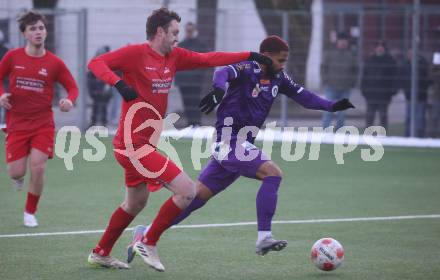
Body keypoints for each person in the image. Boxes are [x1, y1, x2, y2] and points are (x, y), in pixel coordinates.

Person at [126, 35, 355, 261]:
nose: (283, 65)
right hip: (228, 140)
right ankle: (264, 236)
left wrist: (332, 106)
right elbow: (222, 72)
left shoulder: (279, 77)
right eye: (280, 60)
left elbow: (304, 96)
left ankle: (144, 234)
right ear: (265, 57)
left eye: (285, 61)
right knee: (273, 174)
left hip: (239, 145)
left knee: (196, 198)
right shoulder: (247, 68)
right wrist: (218, 89)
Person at [86, 7, 273, 271]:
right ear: (159, 32)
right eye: (174, 33)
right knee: (187, 191)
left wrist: (249, 55)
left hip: (143, 145)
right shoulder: (134, 54)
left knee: (135, 203)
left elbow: (209, 59)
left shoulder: (174, 56)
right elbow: (96, 63)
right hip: (132, 146)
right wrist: (118, 84)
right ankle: (148, 241)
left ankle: (101, 252)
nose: (177, 38)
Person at [0, 11, 78, 227]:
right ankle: (18, 178)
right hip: (16, 123)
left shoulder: (54, 63)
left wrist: (69, 101)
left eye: (41, 28)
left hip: (43, 123)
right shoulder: (12, 57)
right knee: (16, 171)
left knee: (39, 167)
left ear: (46, 31)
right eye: (32, 28)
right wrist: (1, 95)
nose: (38, 32)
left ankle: (30, 212)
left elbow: (72, 87)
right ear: (24, 34)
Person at [321, 32, 358, 130]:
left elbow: (356, 70)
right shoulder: (329, 54)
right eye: (341, 41)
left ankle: (339, 133)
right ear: (337, 42)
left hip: (345, 88)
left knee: (342, 114)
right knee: (328, 111)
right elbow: (323, 68)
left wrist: (352, 82)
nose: (343, 43)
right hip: (331, 87)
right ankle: (325, 132)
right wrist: (325, 80)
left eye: (345, 41)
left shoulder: (351, 56)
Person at [174, 22, 206, 126]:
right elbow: (176, 63)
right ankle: (190, 124)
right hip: (183, 81)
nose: (189, 32)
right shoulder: (181, 46)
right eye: (188, 30)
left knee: (195, 102)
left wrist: (198, 75)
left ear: (194, 31)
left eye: (191, 30)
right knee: (187, 103)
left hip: (195, 81)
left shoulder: (200, 45)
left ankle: (197, 123)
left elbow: (204, 62)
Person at [361, 41, 397, 130]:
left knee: (383, 116)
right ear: (375, 48)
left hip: (384, 95)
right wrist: (364, 91)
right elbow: (364, 77)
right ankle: (368, 135)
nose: (380, 48)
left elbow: (395, 78)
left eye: (382, 46)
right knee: (370, 116)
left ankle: (383, 136)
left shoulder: (390, 61)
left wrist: (392, 91)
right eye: (378, 46)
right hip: (371, 94)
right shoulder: (369, 60)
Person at [398, 49, 431, 137]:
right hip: (409, 96)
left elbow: (428, 79)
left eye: (412, 54)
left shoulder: (423, 64)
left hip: (421, 96)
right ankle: (407, 135)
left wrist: (423, 87)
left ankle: (419, 136)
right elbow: (402, 79)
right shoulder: (405, 65)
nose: (410, 56)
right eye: (409, 54)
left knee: (419, 118)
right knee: (409, 117)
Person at [87, 45, 113, 127]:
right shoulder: (96, 61)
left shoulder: (109, 62)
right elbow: (90, 74)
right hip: (96, 85)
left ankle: (103, 122)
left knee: (103, 104)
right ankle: (94, 121)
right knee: (96, 104)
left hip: (104, 85)